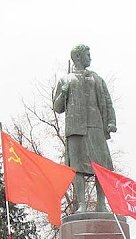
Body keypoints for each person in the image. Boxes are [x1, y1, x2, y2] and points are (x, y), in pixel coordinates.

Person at [53, 44, 117, 213]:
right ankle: (81, 203)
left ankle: (101, 203)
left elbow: (108, 102)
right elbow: (58, 107)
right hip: (75, 129)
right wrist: (63, 93)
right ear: (78, 57)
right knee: (77, 168)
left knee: (101, 166)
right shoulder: (65, 80)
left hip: (95, 126)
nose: (91, 58)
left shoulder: (96, 79)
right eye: (88, 55)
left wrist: (110, 122)